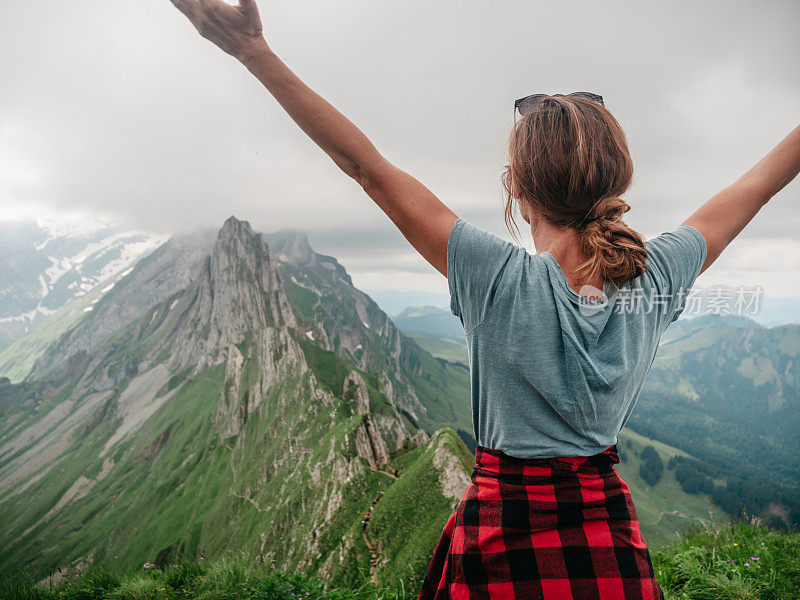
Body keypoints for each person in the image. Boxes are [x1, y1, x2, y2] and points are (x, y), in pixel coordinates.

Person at [166, 2, 800, 598]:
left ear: (517, 191)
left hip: (498, 546)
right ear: (617, 181)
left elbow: (363, 166)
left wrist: (253, 51)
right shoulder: (657, 275)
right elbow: (758, 183)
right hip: (608, 551)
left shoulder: (492, 276)